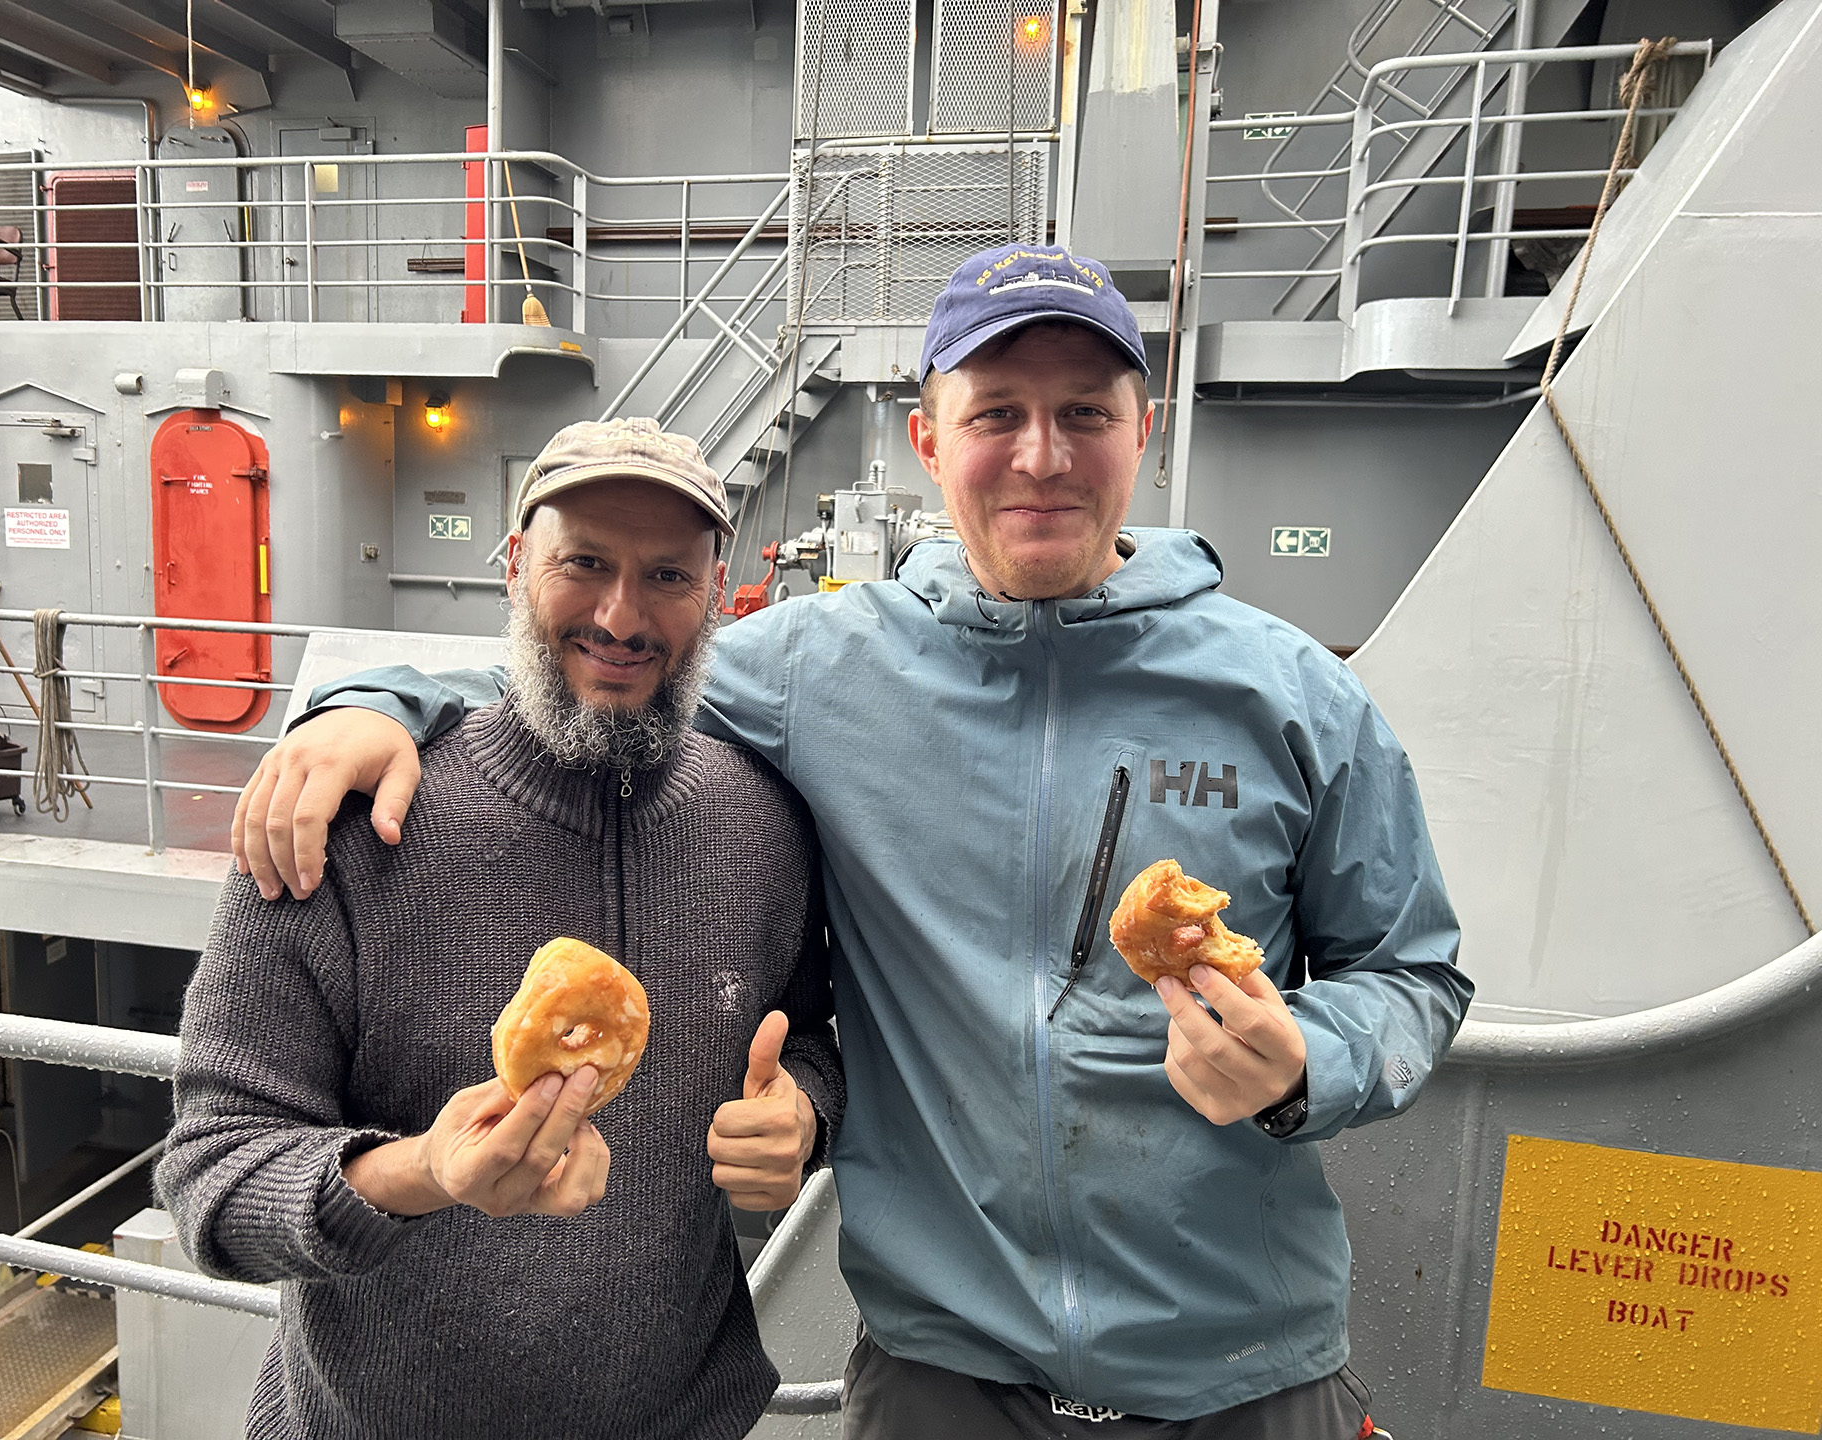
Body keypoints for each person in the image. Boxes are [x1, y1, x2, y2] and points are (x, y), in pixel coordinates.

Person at [232, 244, 1470, 1437]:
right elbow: (600, 662)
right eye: (996, 414)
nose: (1042, 456)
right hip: (946, 1378)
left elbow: (1414, 973)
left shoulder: (1294, 697)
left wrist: (1307, 1063)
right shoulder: (826, 668)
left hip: (1244, 1377)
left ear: (1141, 431)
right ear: (929, 440)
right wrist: (371, 701)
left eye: (1085, 413)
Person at [159, 419, 844, 1440]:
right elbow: (213, 1179)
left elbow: (817, 1041)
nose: (621, 616)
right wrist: (420, 1175)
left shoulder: (764, 827)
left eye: (667, 575)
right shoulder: (349, 827)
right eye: (584, 563)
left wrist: (807, 1115)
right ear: (516, 564)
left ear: (716, 590)